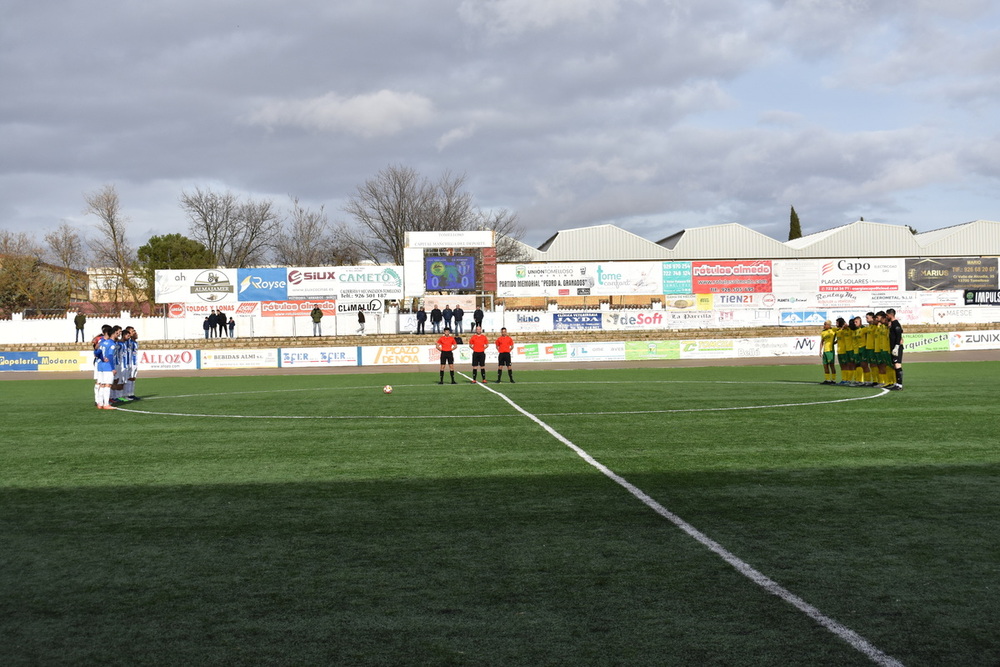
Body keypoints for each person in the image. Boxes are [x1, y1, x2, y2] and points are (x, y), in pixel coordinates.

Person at [94, 326, 119, 410]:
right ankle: (106, 404)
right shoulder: (112, 344)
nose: (118, 335)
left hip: (100, 366)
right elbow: (110, 356)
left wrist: (101, 358)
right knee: (107, 385)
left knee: (101, 384)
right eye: (117, 333)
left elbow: (96, 353)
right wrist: (112, 368)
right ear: (114, 333)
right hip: (108, 367)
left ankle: (100, 403)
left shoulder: (102, 342)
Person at [886, 308, 904, 390]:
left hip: (897, 348)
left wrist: (896, 347)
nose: (886, 316)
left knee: (897, 365)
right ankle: (897, 383)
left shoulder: (896, 323)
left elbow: (899, 335)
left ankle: (899, 385)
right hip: (893, 347)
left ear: (890, 315)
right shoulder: (892, 324)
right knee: (895, 365)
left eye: (887, 315)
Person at [819, 320, 837, 384]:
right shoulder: (823, 332)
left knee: (832, 365)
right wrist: (820, 351)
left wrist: (835, 342)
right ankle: (827, 379)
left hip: (830, 351)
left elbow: (840, 334)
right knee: (825, 365)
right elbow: (822, 342)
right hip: (825, 351)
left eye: (825, 324)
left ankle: (833, 380)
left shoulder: (833, 330)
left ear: (829, 325)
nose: (824, 326)